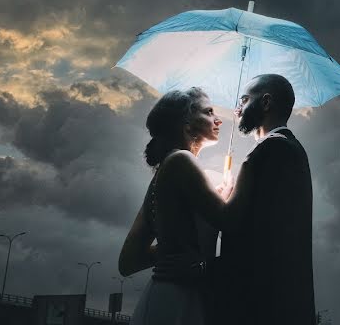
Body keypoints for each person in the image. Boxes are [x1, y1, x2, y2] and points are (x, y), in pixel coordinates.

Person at [118, 87, 229, 325]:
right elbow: (231, 220)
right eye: (209, 112)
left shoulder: (162, 173)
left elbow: (129, 261)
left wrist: (173, 251)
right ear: (187, 123)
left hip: (166, 294)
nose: (218, 119)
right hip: (179, 297)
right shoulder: (182, 160)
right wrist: (232, 192)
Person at [216, 73, 317, 325]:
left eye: (244, 99)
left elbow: (233, 223)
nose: (237, 109)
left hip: (260, 303)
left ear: (266, 102)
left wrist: (222, 198)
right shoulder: (290, 148)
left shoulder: (271, 150)